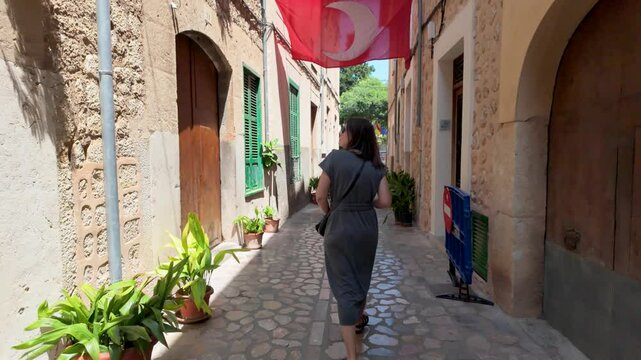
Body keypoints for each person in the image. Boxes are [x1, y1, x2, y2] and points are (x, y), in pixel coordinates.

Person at [316, 118, 392, 360]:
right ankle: (359, 319)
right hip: (366, 229)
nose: (340, 133)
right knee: (360, 278)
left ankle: (351, 356)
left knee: (344, 290)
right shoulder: (375, 166)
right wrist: (364, 203)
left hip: (339, 228)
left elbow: (320, 196)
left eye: (344, 130)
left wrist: (332, 213)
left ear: (354, 135)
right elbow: (386, 202)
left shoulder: (336, 159)